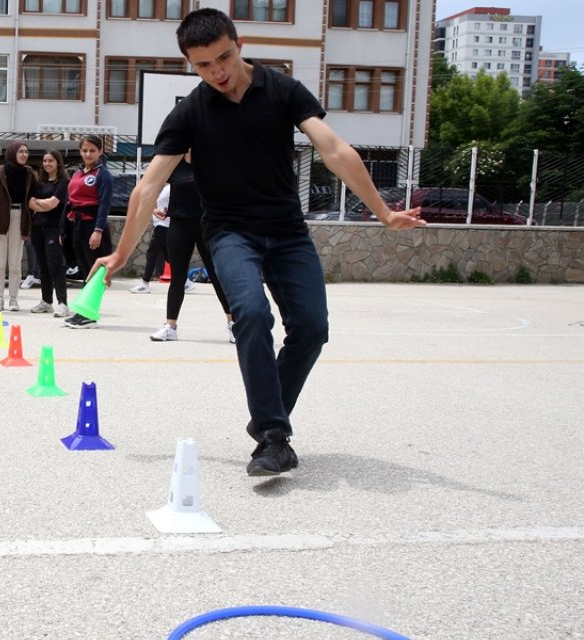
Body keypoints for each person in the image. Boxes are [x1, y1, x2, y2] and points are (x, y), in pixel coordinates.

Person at [96, 8, 424, 476]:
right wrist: (123, 253)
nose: (218, 72)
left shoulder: (282, 90)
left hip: (288, 230)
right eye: (204, 65)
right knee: (250, 312)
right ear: (191, 64)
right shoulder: (190, 111)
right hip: (230, 232)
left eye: (224, 58)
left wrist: (384, 212)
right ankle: (273, 436)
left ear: (240, 43)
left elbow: (334, 149)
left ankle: (270, 420)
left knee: (312, 328)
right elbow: (148, 188)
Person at [145, 153, 234, 343]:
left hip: (207, 225)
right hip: (179, 224)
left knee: (217, 275)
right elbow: (151, 184)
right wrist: (154, 207)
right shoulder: (174, 164)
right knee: (177, 277)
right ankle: (170, 326)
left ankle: (233, 323)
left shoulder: (213, 162)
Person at [63, 134, 115, 329]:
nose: (88, 154)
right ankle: (83, 311)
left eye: (92, 150)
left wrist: (98, 230)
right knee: (85, 269)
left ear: (100, 151)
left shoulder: (103, 175)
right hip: (77, 224)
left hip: (92, 224)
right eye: (84, 150)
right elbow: (69, 201)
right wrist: (64, 228)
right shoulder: (78, 173)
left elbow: (104, 204)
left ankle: (89, 314)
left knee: (95, 271)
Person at [0, 141, 36, 312]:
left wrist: (29, 221)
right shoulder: (1, 171)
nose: (24, 155)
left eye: (26, 152)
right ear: (12, 153)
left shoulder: (29, 173)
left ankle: (13, 299)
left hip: (20, 217)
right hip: (0, 219)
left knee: (15, 263)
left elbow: (34, 197)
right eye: (20, 152)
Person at [27, 149, 70, 317]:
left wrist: (41, 203)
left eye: (50, 161)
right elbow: (30, 203)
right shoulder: (40, 183)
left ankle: (63, 303)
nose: (47, 164)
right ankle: (46, 301)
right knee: (43, 266)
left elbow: (53, 203)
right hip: (38, 228)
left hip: (54, 229)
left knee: (55, 266)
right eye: (45, 161)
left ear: (57, 162)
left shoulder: (62, 183)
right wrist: (41, 203)